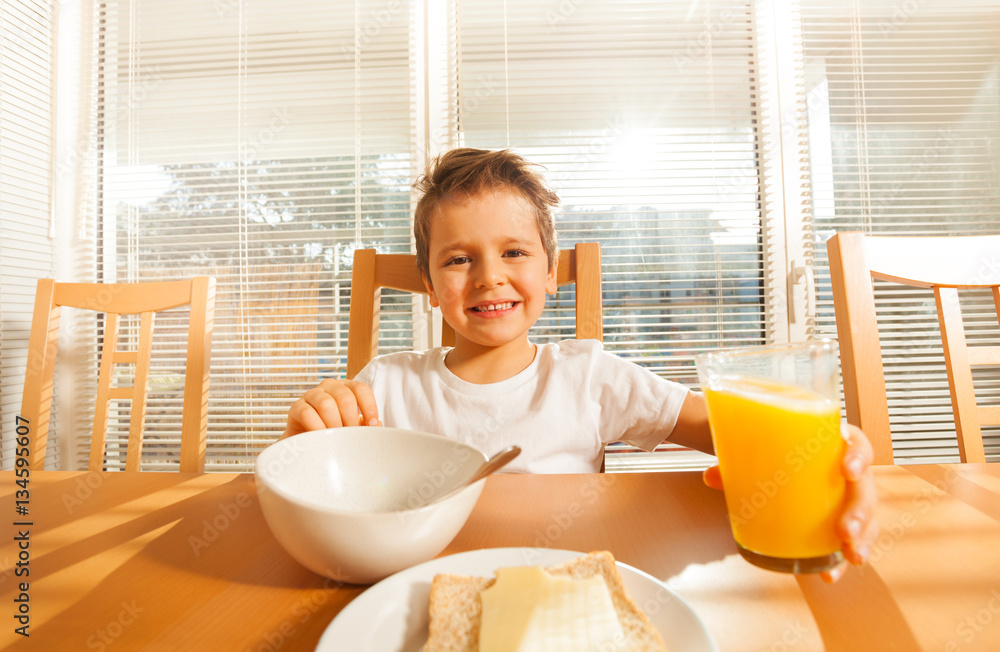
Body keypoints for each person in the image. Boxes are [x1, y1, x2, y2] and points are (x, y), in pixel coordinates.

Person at [284, 147, 878, 582]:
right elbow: (319, 477)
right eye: (459, 259)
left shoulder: (590, 377)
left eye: (514, 252)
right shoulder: (387, 384)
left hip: (567, 588)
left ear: (549, 271)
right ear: (430, 286)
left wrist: (822, 448)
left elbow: (729, 429)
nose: (490, 276)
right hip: (414, 588)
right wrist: (310, 431)